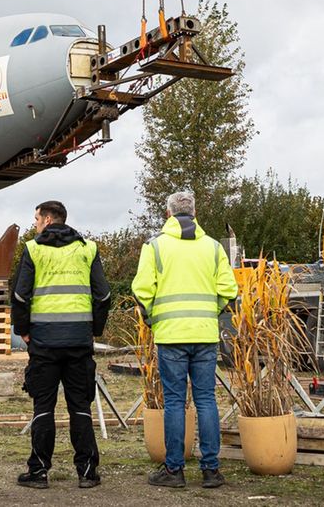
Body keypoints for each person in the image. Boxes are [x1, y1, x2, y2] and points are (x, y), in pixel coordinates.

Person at [132, 190, 238, 489]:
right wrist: (209, 313)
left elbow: (142, 290)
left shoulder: (154, 246)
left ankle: (174, 470)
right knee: (206, 400)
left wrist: (153, 318)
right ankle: (211, 470)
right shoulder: (213, 247)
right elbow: (228, 290)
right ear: (195, 213)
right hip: (204, 333)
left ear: (168, 213)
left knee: (175, 402)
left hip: (171, 335)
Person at [11, 200, 112, 490]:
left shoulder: (33, 249)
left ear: (47, 219)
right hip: (79, 341)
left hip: (43, 342)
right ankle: (87, 472)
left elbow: (20, 295)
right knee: (80, 406)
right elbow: (103, 296)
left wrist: (23, 330)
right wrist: (94, 330)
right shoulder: (87, 249)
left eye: (36, 219)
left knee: (43, 406)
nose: (34, 225)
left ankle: (39, 471)